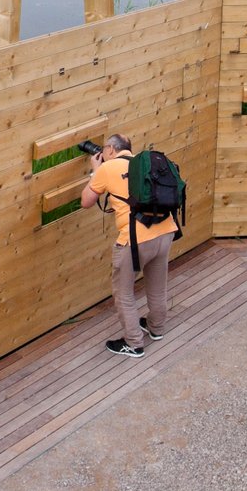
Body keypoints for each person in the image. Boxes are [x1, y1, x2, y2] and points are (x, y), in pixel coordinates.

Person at [81, 133, 178, 357]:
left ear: (111, 150)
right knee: (157, 284)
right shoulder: (145, 164)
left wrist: (96, 170)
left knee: (124, 293)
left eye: (104, 150)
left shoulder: (107, 169)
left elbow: (86, 202)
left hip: (135, 240)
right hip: (165, 231)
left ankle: (134, 343)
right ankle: (156, 328)